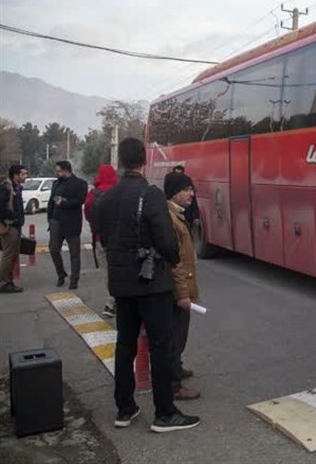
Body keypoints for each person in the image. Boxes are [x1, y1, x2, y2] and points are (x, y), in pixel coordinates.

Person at [95, 137, 200, 433]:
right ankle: (164, 413)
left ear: (120, 163)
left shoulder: (107, 196)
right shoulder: (150, 194)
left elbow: (101, 233)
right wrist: (172, 257)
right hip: (152, 285)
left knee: (124, 344)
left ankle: (124, 409)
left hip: (120, 285)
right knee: (160, 346)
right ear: (144, 161)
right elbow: (167, 241)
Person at [164, 171, 201, 401]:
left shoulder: (177, 215)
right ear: (174, 192)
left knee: (179, 333)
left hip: (181, 287)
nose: (191, 193)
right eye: (187, 189)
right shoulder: (171, 219)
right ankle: (173, 385)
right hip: (177, 290)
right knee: (175, 335)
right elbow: (175, 262)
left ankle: (176, 368)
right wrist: (182, 294)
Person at [48, 160, 88, 289]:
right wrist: (50, 218)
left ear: (66, 170)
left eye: (59, 170)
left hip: (71, 223)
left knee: (74, 253)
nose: (57, 173)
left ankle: (74, 279)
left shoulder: (80, 184)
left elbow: (80, 201)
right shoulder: (56, 183)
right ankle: (61, 274)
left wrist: (64, 203)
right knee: (54, 249)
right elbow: (51, 202)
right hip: (56, 221)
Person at [85, 164, 118, 317]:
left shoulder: (93, 193)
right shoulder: (119, 191)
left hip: (100, 239)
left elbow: (87, 214)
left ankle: (110, 303)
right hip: (119, 240)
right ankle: (119, 301)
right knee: (121, 270)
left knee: (106, 272)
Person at [0, 164, 28, 294]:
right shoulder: (6, 187)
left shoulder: (16, 187)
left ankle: (8, 281)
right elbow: (2, 208)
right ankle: (5, 282)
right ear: (15, 175)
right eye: (23, 174)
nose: (25, 176)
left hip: (16, 225)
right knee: (9, 255)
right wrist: (14, 217)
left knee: (14, 255)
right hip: (9, 226)